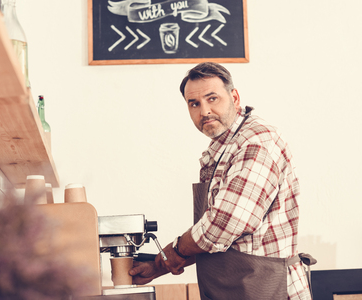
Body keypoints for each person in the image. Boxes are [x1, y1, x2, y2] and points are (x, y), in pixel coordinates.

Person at [130, 62, 315, 300]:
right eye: (194, 103)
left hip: (267, 289)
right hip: (236, 288)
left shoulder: (256, 141)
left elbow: (225, 224)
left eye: (212, 98)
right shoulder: (222, 147)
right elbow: (221, 241)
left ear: (234, 97)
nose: (204, 110)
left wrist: (171, 254)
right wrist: (160, 265)